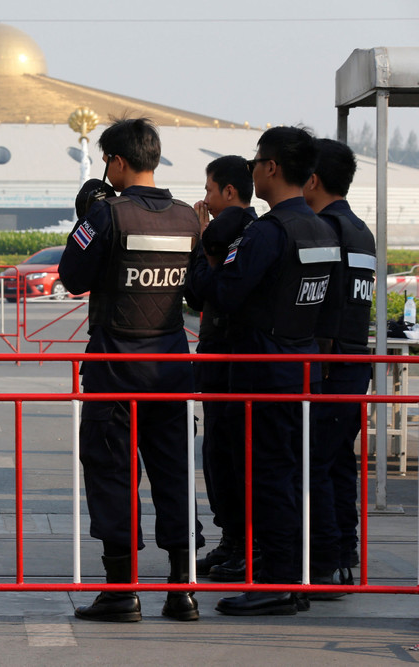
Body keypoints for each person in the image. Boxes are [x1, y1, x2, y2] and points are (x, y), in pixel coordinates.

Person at [189, 126, 340, 616]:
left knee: (269, 479)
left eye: (257, 159)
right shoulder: (321, 228)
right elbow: (330, 311)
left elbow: (224, 293)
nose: (253, 167)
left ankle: (275, 582)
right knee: (293, 478)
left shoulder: (267, 232)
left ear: (272, 167)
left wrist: (199, 256)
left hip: (261, 372)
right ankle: (294, 577)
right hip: (303, 369)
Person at [58, 118, 204, 623]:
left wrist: (85, 221)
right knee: (175, 478)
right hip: (171, 369)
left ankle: (121, 591)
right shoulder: (188, 218)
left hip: (115, 372)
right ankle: (183, 591)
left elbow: (71, 278)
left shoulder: (107, 215)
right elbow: (199, 292)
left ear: (119, 162)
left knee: (112, 475)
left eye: (107, 161)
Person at [304, 138, 375, 596]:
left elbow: (320, 303)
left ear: (311, 179)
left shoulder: (324, 229)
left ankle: (324, 564)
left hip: (330, 365)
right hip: (354, 363)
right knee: (337, 465)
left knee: (313, 464)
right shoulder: (360, 229)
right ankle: (344, 554)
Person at [184, 156, 258, 581]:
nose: (205, 199)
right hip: (222, 356)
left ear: (229, 192)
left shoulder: (234, 232)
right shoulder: (247, 230)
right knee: (219, 455)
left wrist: (198, 244)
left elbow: (200, 293)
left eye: (210, 189)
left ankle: (244, 546)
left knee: (233, 457)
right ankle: (232, 541)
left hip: (232, 356)